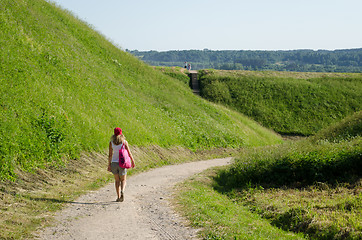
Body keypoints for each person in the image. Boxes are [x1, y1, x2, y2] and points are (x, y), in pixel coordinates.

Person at [108, 127, 135, 202]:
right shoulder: (124, 142)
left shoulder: (111, 143)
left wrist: (109, 165)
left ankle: (118, 197)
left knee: (117, 181)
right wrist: (132, 161)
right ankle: (122, 190)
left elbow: (110, 155)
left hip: (114, 163)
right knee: (123, 180)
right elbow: (129, 153)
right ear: (121, 133)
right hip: (122, 163)